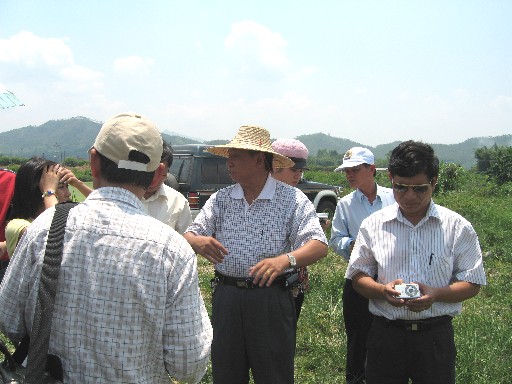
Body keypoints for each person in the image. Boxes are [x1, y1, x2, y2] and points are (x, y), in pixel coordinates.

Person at [0, 112, 212, 383]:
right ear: (158, 172)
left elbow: (9, 320)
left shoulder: (44, 227)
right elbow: (188, 365)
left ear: (93, 161)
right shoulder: (171, 249)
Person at [184, 125, 328, 384]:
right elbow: (190, 234)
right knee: (227, 372)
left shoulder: (291, 200)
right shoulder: (222, 199)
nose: (229, 163)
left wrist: (286, 260)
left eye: (236, 157)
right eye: (229, 157)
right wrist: (198, 241)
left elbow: (318, 244)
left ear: (259, 159)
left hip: (271, 298)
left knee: (273, 373)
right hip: (227, 297)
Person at [345, 140, 486, 384]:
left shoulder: (456, 227)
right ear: (390, 178)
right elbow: (357, 275)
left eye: (419, 188)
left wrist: (436, 294)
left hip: (435, 337)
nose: (409, 196)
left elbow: (472, 282)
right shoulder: (373, 225)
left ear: (434, 182)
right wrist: (381, 290)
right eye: (401, 187)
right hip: (385, 334)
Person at [329, 147, 395, 384]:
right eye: (347, 171)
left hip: (391, 275)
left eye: (355, 170)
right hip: (359, 276)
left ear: (372, 170)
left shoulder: (394, 198)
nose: (349, 175)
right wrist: (351, 244)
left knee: (391, 332)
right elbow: (335, 239)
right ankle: (356, 378)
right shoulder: (345, 205)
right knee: (358, 335)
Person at [270, 137, 312, 321]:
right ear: (275, 166)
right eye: (294, 170)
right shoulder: (253, 194)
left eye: (301, 171)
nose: (298, 175)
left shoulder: (299, 199)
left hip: (289, 282)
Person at [4, 157, 62, 256]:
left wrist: (79, 184)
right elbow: (56, 235)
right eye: (60, 187)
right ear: (38, 190)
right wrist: (49, 193)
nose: (68, 193)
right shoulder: (17, 225)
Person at [142, 140, 192, 234]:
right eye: (151, 174)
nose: (154, 182)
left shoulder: (178, 201)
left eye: (162, 175)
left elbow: (186, 238)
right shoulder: (124, 196)